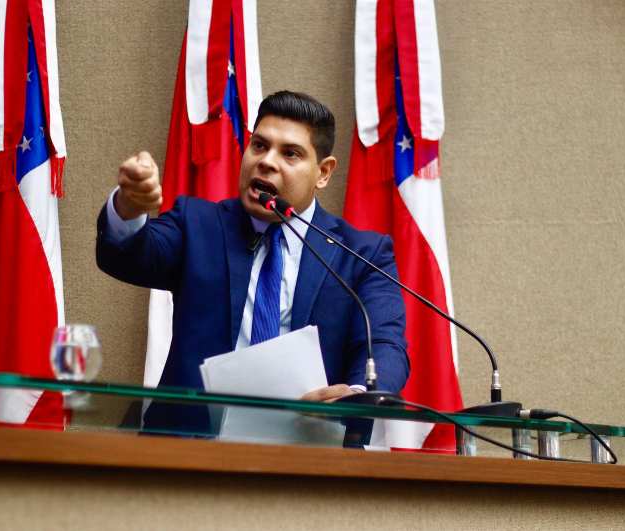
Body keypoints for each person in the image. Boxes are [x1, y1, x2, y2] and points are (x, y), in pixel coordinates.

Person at [96, 90, 408, 433]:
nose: (267, 161)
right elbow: (129, 256)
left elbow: (384, 346)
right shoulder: (198, 223)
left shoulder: (361, 254)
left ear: (323, 172)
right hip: (185, 458)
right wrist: (129, 207)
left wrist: (354, 397)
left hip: (311, 458)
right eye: (259, 146)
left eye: (290, 154)